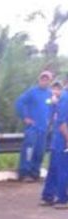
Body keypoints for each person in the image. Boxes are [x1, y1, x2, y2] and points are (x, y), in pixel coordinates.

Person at [16, 71, 53, 181]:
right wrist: (25, 117)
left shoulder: (50, 94)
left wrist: (51, 119)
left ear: (50, 81)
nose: (44, 81)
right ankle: (24, 173)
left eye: (47, 79)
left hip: (44, 129)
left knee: (40, 151)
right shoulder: (32, 92)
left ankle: (35, 172)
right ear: (39, 79)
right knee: (29, 150)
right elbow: (19, 102)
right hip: (32, 128)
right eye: (43, 78)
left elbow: (52, 108)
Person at [41, 80, 68, 208]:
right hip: (63, 139)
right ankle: (62, 199)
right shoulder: (66, 98)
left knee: (53, 168)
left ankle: (47, 196)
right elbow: (62, 123)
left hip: (57, 139)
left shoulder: (61, 99)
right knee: (63, 169)